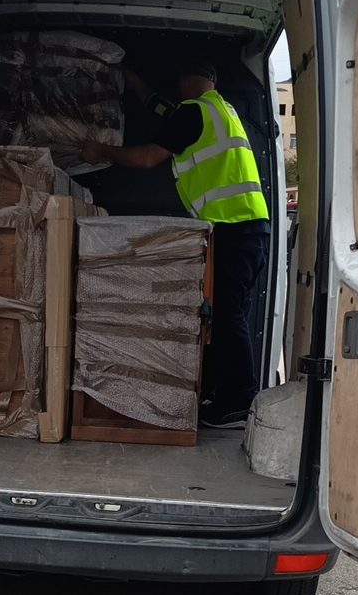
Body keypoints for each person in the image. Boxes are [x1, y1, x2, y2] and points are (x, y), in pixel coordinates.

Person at [79, 61, 270, 429]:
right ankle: (224, 395)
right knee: (229, 315)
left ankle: (240, 401)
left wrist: (100, 150)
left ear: (185, 82)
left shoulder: (193, 113)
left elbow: (148, 157)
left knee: (228, 316)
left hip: (232, 227)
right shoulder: (219, 110)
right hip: (247, 226)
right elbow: (165, 112)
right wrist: (136, 83)